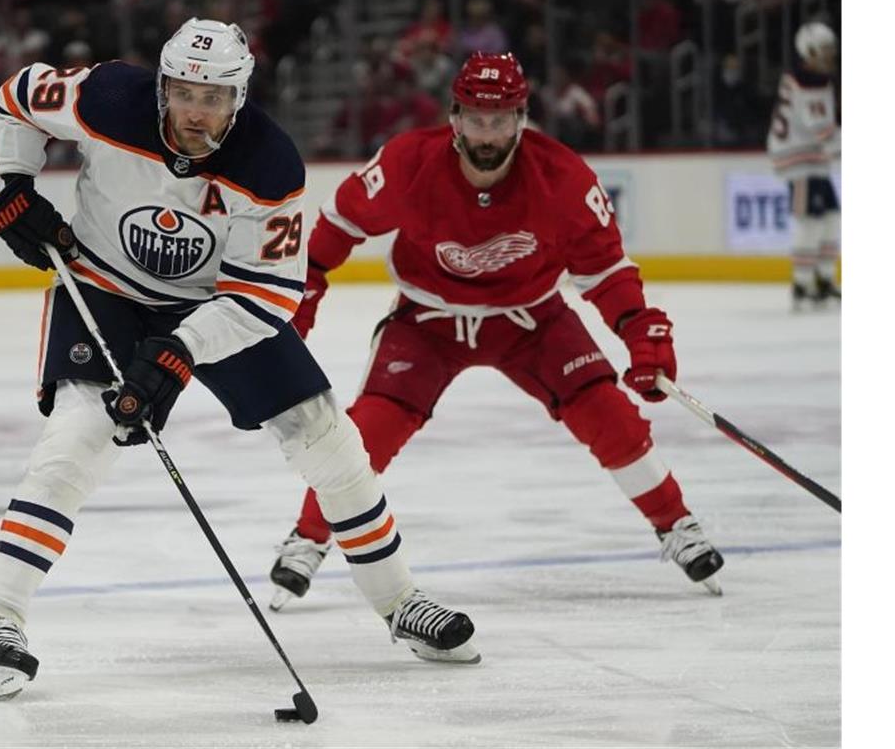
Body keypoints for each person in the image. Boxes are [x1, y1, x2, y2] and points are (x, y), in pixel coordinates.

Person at [0, 18, 480, 702]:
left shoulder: (269, 162)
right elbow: (16, 97)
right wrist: (17, 179)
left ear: (240, 96)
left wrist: (180, 349)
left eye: (214, 97)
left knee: (328, 437)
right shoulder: (108, 98)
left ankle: (399, 601)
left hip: (215, 306)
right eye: (184, 92)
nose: (196, 111)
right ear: (164, 86)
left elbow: (267, 295)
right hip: (104, 288)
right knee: (74, 442)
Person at [268, 52, 725, 612]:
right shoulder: (409, 162)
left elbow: (606, 271)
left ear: (522, 117)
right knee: (368, 432)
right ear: (455, 117)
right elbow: (338, 226)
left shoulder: (563, 178)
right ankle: (309, 538)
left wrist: (642, 334)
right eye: (478, 119)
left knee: (608, 415)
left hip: (532, 321)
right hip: (428, 322)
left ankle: (675, 524)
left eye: (502, 118)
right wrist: (304, 292)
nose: (489, 133)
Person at [766, 21, 840, 306]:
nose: (829, 55)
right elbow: (822, 128)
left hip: (811, 156)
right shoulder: (807, 82)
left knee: (830, 219)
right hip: (798, 158)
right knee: (808, 221)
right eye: (823, 50)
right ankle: (802, 282)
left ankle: (823, 278)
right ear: (807, 51)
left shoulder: (809, 77)